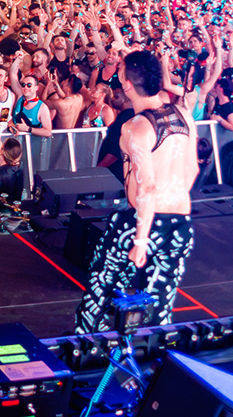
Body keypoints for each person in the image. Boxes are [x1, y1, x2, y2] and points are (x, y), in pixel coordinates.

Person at [74, 50, 197, 333]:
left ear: (127, 84)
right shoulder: (184, 115)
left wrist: (141, 240)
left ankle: (84, 353)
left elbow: (146, 187)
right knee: (160, 304)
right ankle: (155, 362)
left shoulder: (135, 127)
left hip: (142, 223)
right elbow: (191, 170)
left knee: (100, 290)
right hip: (178, 222)